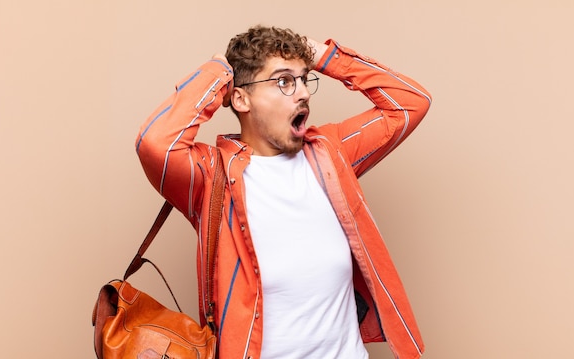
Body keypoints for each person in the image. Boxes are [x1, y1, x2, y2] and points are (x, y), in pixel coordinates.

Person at [136, 25, 431, 359]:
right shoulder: (211, 176)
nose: (303, 92)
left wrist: (324, 56)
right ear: (241, 99)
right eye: (284, 81)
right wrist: (217, 73)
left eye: (304, 79)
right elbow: (155, 144)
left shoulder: (331, 154)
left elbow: (409, 104)